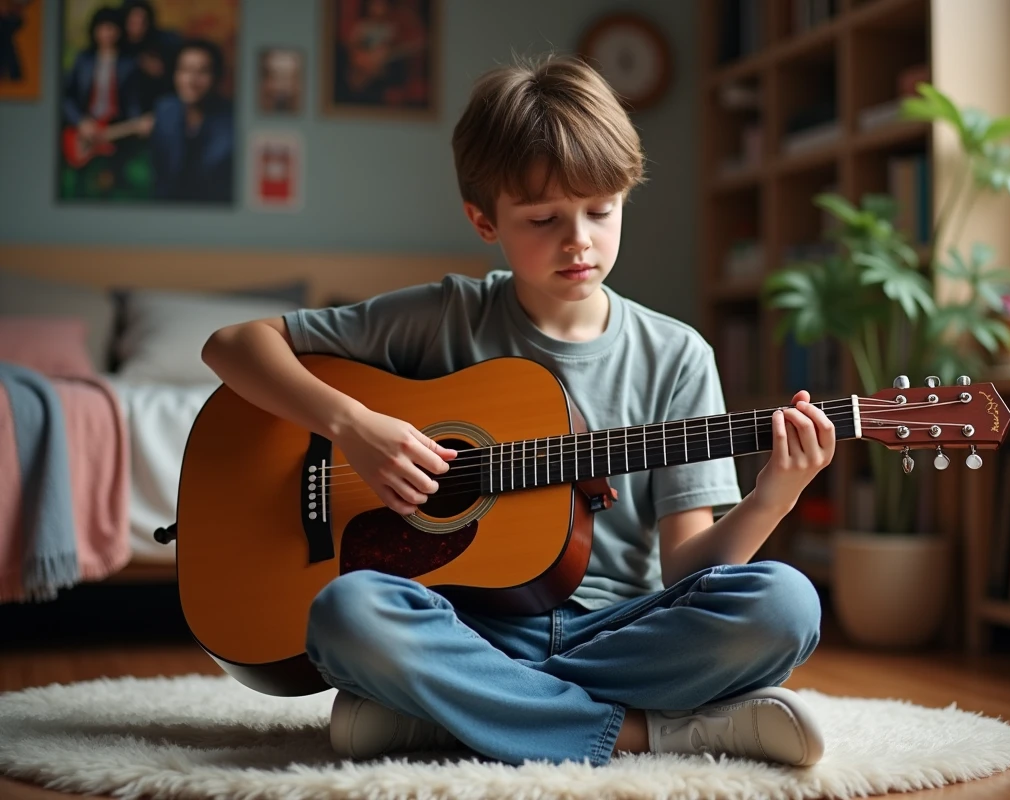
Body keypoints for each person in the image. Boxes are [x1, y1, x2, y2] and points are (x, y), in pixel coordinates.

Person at [201, 54, 834, 768]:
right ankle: (650, 732)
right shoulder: (446, 317)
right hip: (465, 624)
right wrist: (352, 425)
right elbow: (234, 345)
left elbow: (688, 570)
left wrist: (775, 497)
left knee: (785, 605)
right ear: (483, 219)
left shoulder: (677, 354)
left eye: (601, 210)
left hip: (619, 629)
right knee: (346, 615)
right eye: (544, 218)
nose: (580, 241)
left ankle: (448, 710)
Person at [143, 38, 233, 203]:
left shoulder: (231, 120)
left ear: (217, 77)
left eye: (203, 72)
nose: (191, 80)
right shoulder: (165, 109)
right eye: (184, 70)